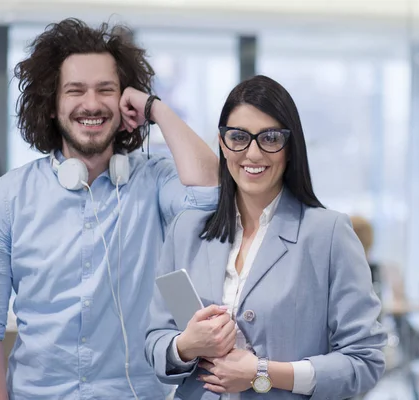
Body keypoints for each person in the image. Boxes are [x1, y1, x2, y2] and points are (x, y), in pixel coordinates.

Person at [0, 19, 218, 400]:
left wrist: (154, 107)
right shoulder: (4, 201)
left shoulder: (156, 182)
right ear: (51, 105)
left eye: (106, 90)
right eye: (75, 91)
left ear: (124, 100)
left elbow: (211, 189)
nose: (92, 104)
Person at [145, 75, 387, 399]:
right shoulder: (186, 230)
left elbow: (364, 362)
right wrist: (185, 346)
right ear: (222, 142)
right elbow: (155, 339)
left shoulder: (328, 235)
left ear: (290, 147)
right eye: (239, 137)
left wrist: (263, 373)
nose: (253, 153)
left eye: (270, 138)